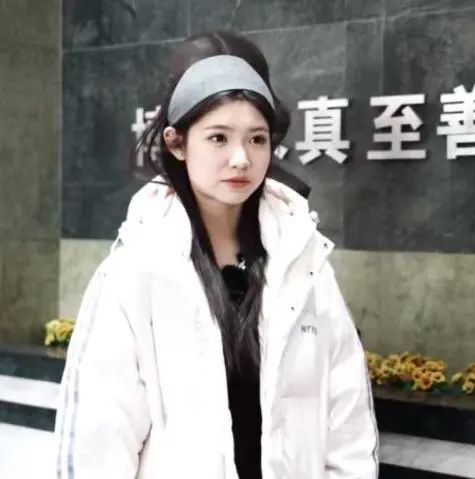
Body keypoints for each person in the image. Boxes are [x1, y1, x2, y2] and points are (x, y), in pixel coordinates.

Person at [53, 31, 378, 479]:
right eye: (219, 138)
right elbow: (97, 444)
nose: (241, 158)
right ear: (177, 143)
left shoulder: (304, 264)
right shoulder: (137, 270)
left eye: (257, 139)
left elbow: (348, 427)